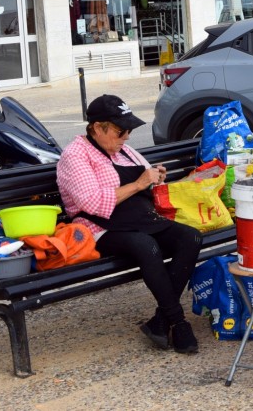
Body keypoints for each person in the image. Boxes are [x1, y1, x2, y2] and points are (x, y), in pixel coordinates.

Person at [56, 95, 201, 354]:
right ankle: (177, 321)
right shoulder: (75, 155)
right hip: (100, 228)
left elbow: (145, 176)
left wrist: (155, 176)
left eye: (129, 131)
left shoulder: (123, 150)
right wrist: (138, 184)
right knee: (147, 246)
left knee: (190, 237)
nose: (126, 137)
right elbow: (92, 203)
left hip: (139, 219)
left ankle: (160, 321)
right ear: (98, 127)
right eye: (121, 131)